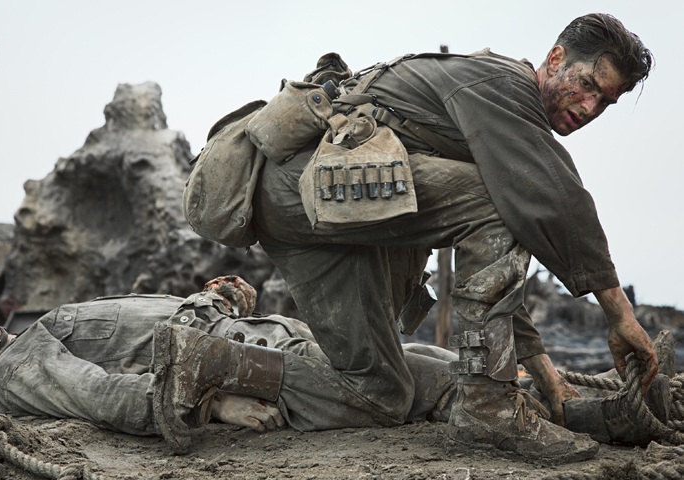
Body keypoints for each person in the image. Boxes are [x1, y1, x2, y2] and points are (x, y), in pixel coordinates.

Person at [242, 13, 658, 461]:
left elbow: (495, 261)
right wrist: (620, 316)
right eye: (590, 85)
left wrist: (544, 372)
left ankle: (211, 361)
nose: (591, 108)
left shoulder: (498, 116)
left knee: (379, 392)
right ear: (556, 59)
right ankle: (486, 408)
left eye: (606, 102)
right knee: (501, 201)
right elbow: (557, 201)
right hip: (304, 185)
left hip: (318, 202)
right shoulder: (504, 84)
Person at [0, 276, 670, 454]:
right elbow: (123, 401)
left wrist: (219, 300)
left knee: (433, 360)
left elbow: (150, 343)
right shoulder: (21, 372)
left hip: (264, 349)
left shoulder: (33, 337)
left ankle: (595, 394)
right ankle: (598, 417)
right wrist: (209, 333)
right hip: (255, 372)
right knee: (439, 384)